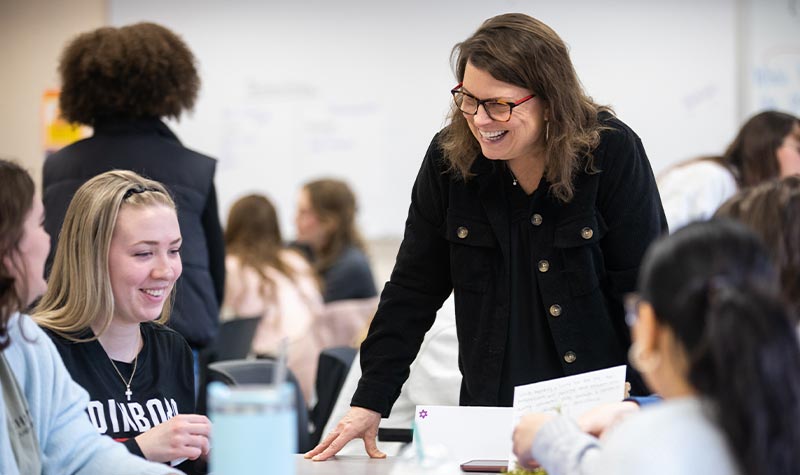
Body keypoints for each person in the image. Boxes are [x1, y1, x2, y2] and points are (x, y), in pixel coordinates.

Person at [306, 13, 666, 461]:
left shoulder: (610, 153)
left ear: (550, 99)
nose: (479, 119)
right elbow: (412, 291)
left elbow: (647, 294)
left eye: (499, 104)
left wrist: (643, 408)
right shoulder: (449, 162)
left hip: (596, 415)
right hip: (490, 417)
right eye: (467, 99)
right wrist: (370, 399)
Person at [512, 220, 800, 475]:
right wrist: (639, 407)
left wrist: (550, 437)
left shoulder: (646, 443)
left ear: (648, 324)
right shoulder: (779, 414)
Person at [43, 22, 225, 361]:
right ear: (171, 85)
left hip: (76, 339)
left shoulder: (58, 166)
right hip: (182, 335)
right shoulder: (194, 167)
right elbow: (216, 269)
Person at [0, 159, 180, 474]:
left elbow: (79, 455)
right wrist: (140, 448)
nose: (47, 240)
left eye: (174, 250)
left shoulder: (22, 340)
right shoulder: (42, 342)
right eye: (39, 225)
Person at [34, 171, 211, 469]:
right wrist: (140, 449)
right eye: (144, 253)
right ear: (91, 258)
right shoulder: (40, 351)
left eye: (174, 250)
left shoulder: (172, 350)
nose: (166, 271)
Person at [223, 193, 324, 402]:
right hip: (308, 367)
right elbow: (318, 311)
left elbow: (222, 328)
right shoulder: (294, 261)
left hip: (265, 374)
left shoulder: (233, 266)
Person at [658, 110, 800, 231]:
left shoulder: (754, 200)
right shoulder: (710, 177)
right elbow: (662, 242)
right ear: (765, 147)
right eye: (798, 149)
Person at [295, 179, 377, 303]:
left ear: (329, 221)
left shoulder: (351, 267)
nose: (295, 220)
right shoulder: (309, 252)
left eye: (304, 213)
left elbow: (310, 315)